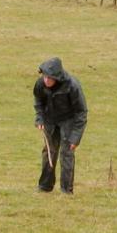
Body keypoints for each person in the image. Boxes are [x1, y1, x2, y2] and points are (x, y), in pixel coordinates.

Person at [34, 57, 88, 194]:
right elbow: (39, 102)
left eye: (49, 78)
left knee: (67, 153)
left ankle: (66, 190)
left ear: (57, 77)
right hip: (50, 120)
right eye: (44, 77)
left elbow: (81, 112)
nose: (46, 80)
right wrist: (39, 119)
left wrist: (75, 138)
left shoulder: (72, 86)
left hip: (68, 121)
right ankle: (45, 186)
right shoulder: (41, 84)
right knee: (49, 152)